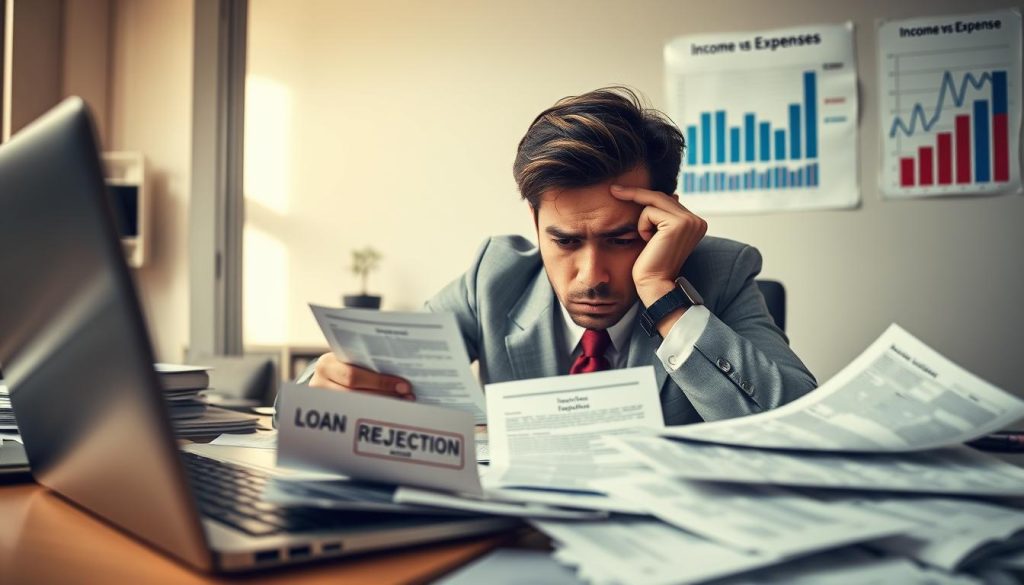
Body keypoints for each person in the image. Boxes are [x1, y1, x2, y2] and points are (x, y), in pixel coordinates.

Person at [303, 87, 816, 425]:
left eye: (620, 240)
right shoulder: (494, 278)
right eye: (566, 241)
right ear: (535, 225)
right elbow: (342, 388)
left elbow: (804, 426)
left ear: (662, 220)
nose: (590, 277)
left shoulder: (720, 274)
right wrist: (329, 391)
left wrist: (664, 294)